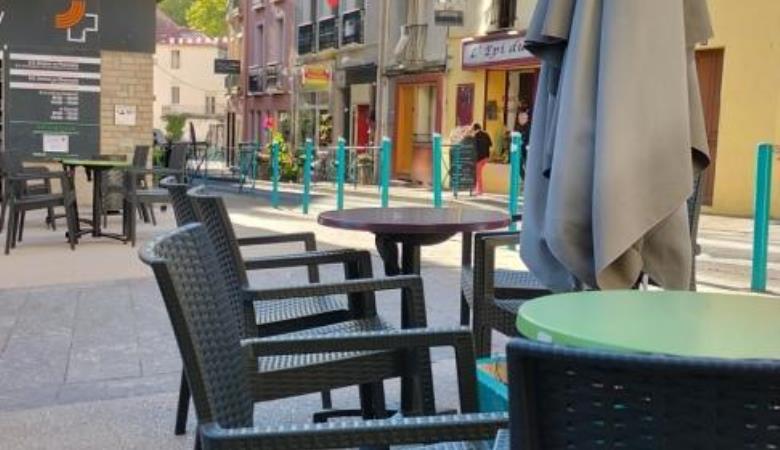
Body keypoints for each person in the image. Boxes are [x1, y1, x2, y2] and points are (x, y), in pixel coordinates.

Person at [472, 123, 492, 195]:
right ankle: (477, 188)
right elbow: (491, 144)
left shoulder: (475, 136)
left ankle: (479, 190)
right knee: (478, 173)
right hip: (486, 157)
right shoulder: (486, 134)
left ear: (474, 129)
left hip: (479, 158)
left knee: (478, 174)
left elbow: (473, 147)